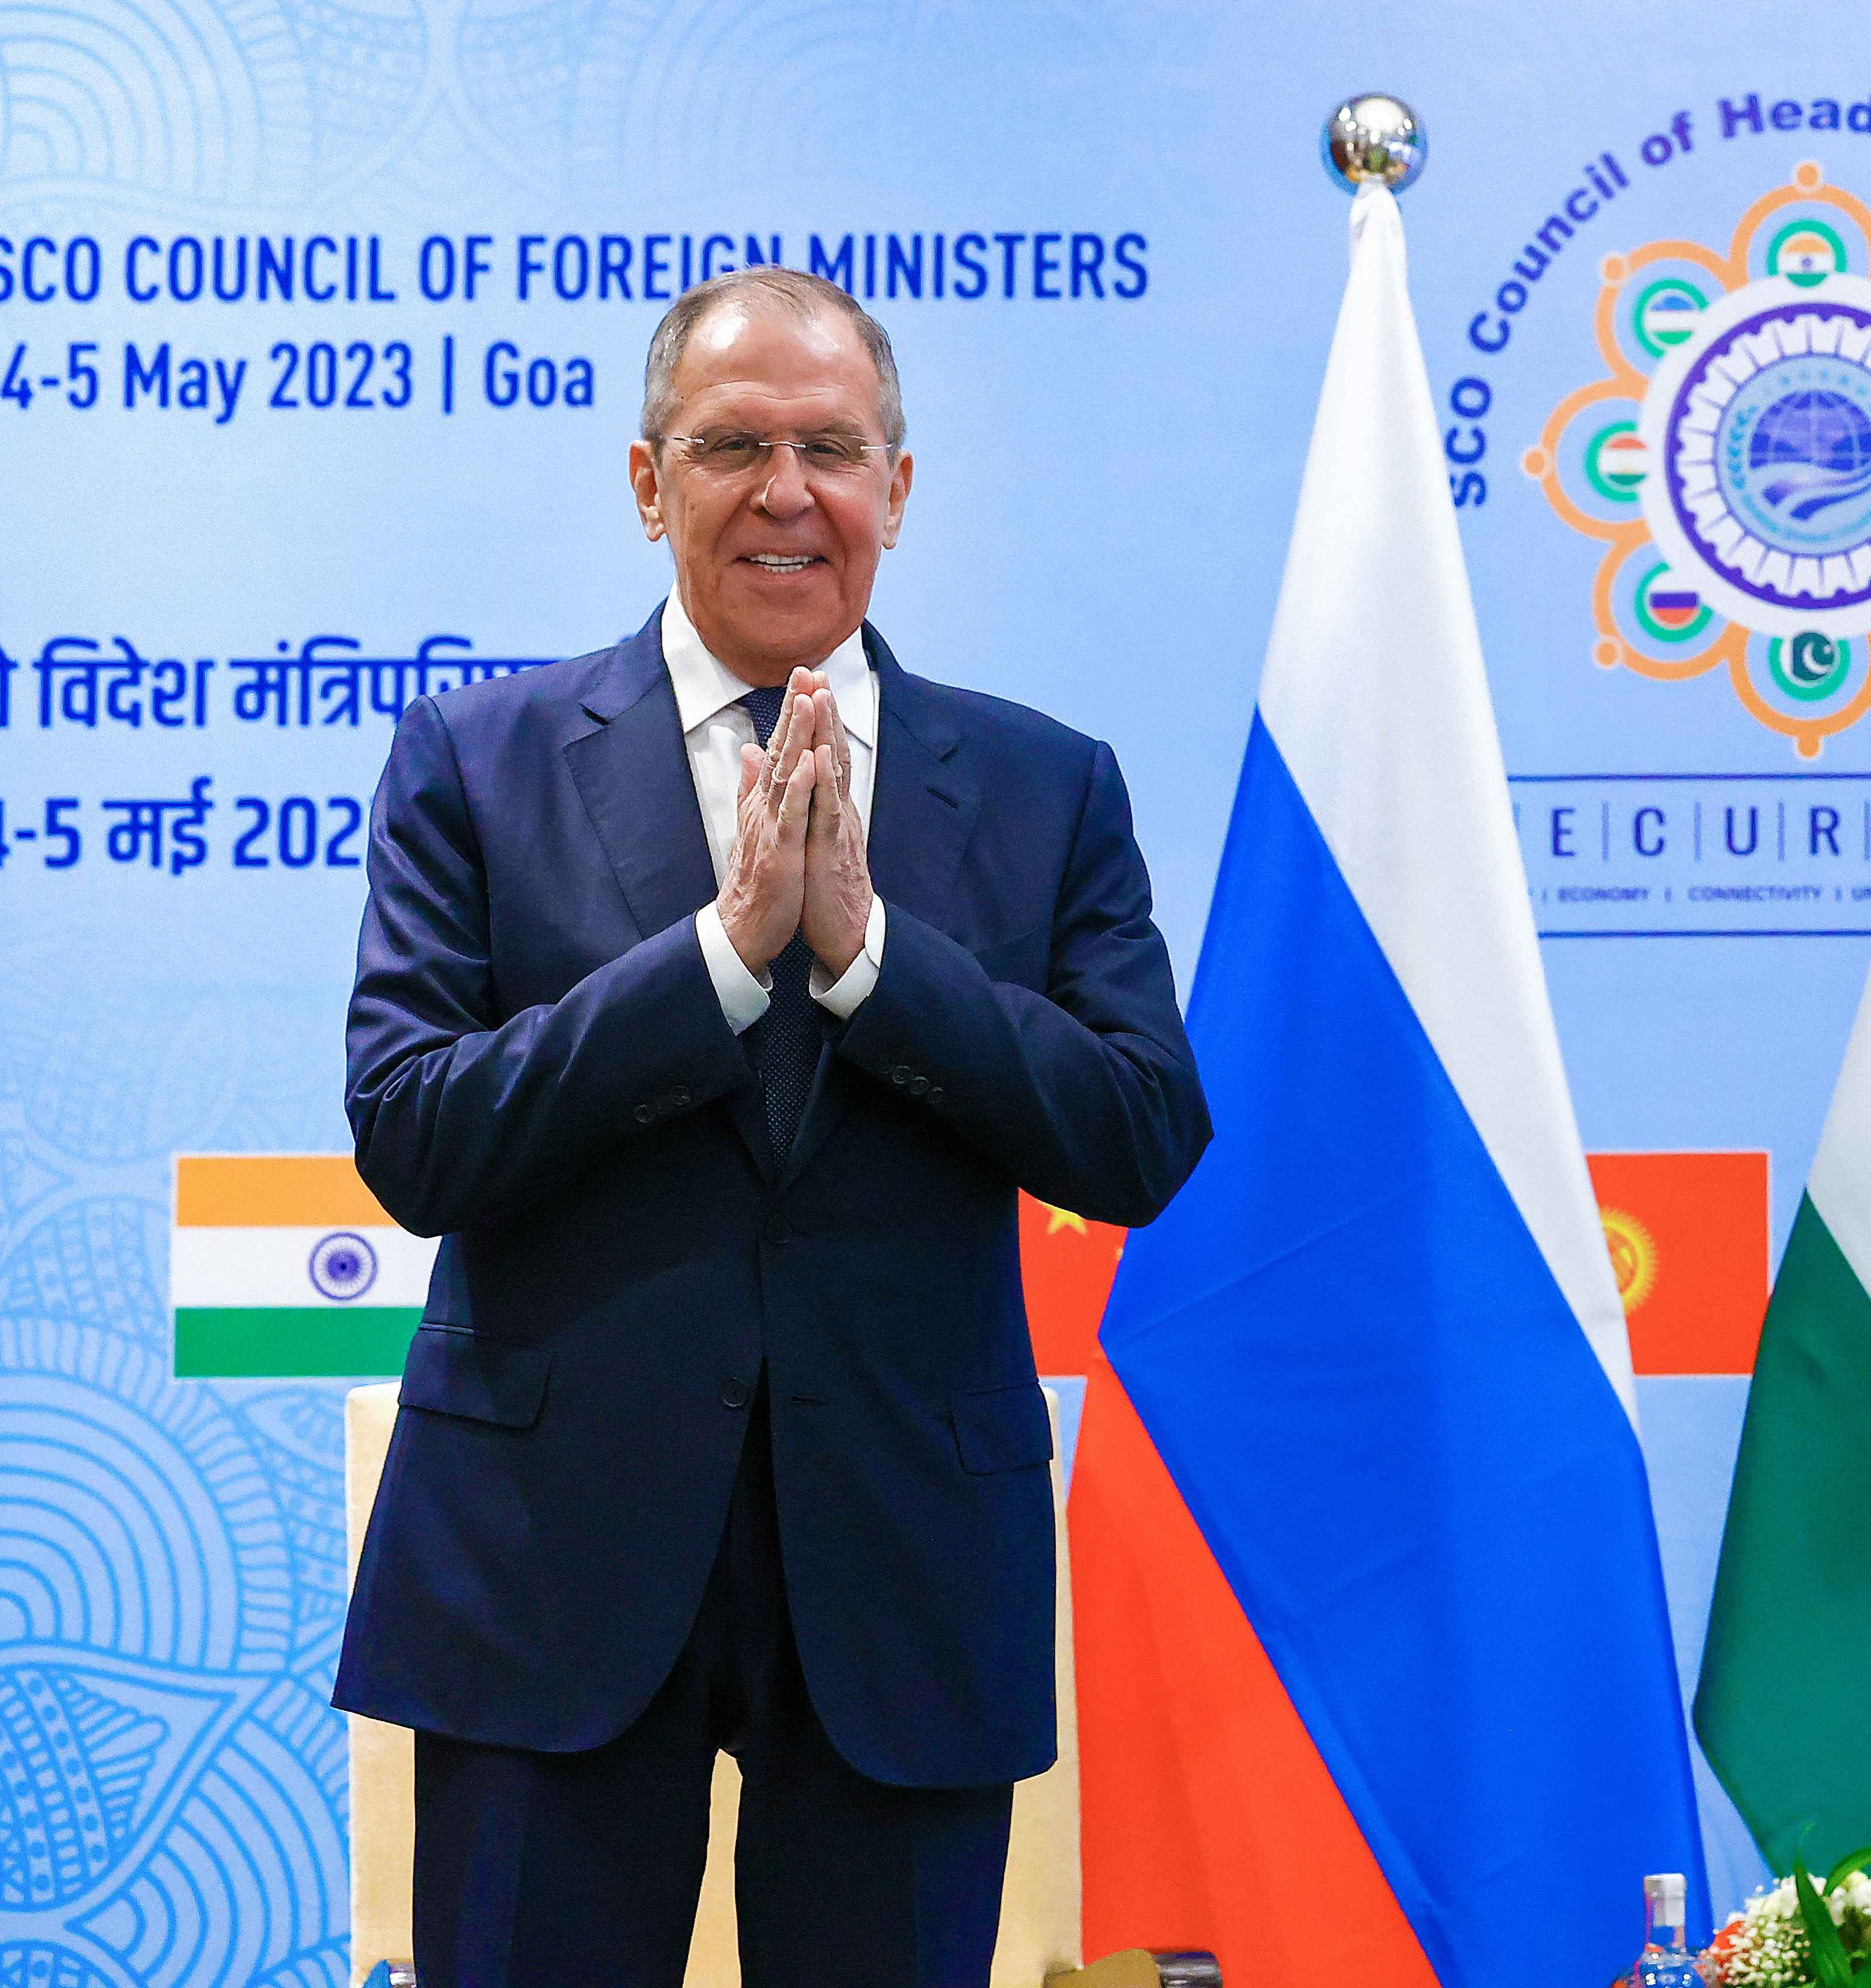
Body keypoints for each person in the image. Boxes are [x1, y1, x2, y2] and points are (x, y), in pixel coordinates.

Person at [335, 265, 1210, 1987]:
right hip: (548, 1578)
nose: (785, 490)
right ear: (649, 482)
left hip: (898, 1576)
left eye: (830, 445)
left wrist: (870, 962)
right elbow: (414, 1133)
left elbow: (1136, 1135)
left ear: (899, 484)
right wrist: (721, 962)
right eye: (732, 444)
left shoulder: (1047, 784)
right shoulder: (475, 759)